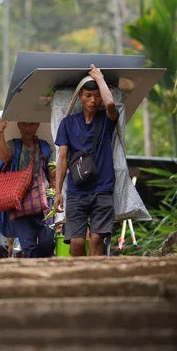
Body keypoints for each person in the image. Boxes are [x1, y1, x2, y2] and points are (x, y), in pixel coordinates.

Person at [54, 64, 119, 257]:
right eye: (88, 96)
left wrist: (99, 77)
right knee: (76, 244)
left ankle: (98, 284)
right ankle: (80, 281)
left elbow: (110, 105)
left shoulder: (107, 120)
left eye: (97, 95)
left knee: (97, 241)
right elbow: (63, 158)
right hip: (76, 191)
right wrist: (58, 192)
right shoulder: (67, 123)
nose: (93, 100)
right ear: (80, 96)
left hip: (103, 188)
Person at [0, 118, 55, 258]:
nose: (28, 127)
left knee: (47, 242)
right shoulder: (14, 145)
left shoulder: (45, 147)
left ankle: (42, 267)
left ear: (38, 125)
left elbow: (53, 174)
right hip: (19, 203)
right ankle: (38, 275)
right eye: (24, 124)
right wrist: (0, 132)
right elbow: (4, 157)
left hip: (44, 201)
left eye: (32, 123)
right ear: (18, 125)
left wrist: (57, 195)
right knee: (28, 246)